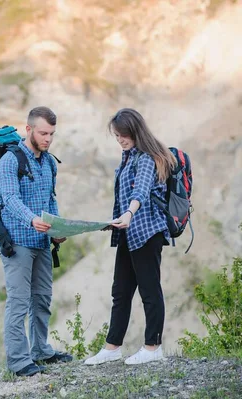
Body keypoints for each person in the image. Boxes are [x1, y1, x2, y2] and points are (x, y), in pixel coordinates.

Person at [85, 108, 176, 366]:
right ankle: (112, 347)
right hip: (128, 232)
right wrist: (116, 221)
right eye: (116, 136)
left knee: (149, 290)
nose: (120, 140)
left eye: (123, 135)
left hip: (147, 232)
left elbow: (142, 191)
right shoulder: (128, 157)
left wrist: (129, 213)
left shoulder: (147, 157)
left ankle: (153, 346)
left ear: (136, 131)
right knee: (121, 291)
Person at [0, 106, 73, 377]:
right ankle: (18, 362)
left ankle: (40, 350)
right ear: (28, 129)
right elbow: (9, 198)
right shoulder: (10, 160)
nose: (48, 138)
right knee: (18, 302)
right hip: (17, 242)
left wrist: (58, 228)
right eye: (43, 133)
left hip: (42, 243)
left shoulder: (49, 162)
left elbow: (50, 200)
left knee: (42, 299)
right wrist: (31, 220)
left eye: (52, 133)